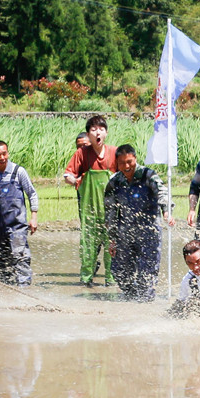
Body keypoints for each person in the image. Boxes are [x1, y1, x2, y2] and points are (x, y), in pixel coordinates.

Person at [104, 145, 174, 301]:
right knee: (119, 272)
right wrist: (112, 240)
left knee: (147, 275)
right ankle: (130, 299)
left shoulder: (148, 176)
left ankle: (145, 304)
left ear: (135, 159)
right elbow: (109, 213)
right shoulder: (114, 182)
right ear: (117, 162)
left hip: (149, 234)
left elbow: (162, 192)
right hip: (125, 234)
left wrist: (167, 211)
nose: (126, 166)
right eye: (122, 163)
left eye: (129, 161)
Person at [0, 140, 39, 286]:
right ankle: (6, 290)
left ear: (8, 153)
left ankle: (24, 290)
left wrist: (33, 217)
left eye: (4, 153)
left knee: (20, 257)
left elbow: (32, 193)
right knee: (1, 259)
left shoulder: (18, 172)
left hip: (17, 225)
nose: (2, 157)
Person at [64, 115, 117, 287]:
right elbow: (67, 175)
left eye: (101, 129)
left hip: (111, 211)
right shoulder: (82, 154)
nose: (97, 133)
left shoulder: (114, 153)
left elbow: (128, 173)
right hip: (89, 211)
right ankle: (86, 279)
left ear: (106, 133)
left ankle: (112, 280)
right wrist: (77, 181)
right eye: (93, 130)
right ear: (89, 134)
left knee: (112, 244)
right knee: (88, 245)